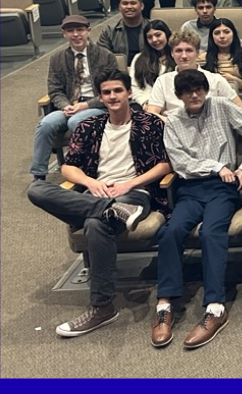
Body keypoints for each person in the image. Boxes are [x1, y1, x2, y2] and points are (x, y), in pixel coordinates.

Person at [28, 69, 170, 337]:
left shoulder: (150, 123)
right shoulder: (89, 126)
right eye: (106, 92)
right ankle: (107, 211)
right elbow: (70, 168)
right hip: (97, 193)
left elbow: (165, 164)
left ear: (129, 93)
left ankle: (102, 307)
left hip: (134, 193)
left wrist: (130, 183)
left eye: (118, 90)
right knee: (37, 189)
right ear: (100, 97)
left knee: (95, 225)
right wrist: (92, 183)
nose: (113, 96)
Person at [151, 68, 242, 349]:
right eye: (188, 91)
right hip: (190, 188)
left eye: (199, 89)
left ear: (206, 89)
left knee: (212, 233)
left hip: (223, 189)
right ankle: (165, 304)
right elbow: (179, 161)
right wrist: (216, 165)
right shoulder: (173, 120)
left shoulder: (222, 106)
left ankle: (215, 307)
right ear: (179, 96)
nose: (195, 94)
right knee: (170, 231)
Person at [31, 16, 115, 180]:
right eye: (70, 31)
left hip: (97, 106)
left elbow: (112, 90)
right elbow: (54, 90)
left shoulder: (105, 56)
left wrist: (86, 106)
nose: (76, 34)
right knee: (46, 124)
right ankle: (38, 174)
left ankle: (83, 168)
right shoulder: (57, 59)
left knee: (76, 122)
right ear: (64, 34)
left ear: (88, 31)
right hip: (70, 106)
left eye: (80, 30)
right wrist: (65, 105)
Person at [145, 30, 242, 118]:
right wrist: (173, 124)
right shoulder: (162, 81)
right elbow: (152, 114)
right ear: (172, 53)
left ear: (198, 52)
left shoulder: (216, 79)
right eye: (178, 51)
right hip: (174, 130)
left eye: (189, 50)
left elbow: (240, 109)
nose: (183, 56)